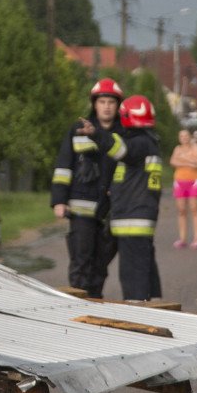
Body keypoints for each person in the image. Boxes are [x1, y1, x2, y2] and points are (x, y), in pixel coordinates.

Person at [81, 94, 162, 301]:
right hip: (137, 220)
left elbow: (121, 149)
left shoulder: (139, 143)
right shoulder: (149, 142)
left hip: (131, 221)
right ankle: (152, 307)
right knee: (144, 273)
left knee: (133, 279)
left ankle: (138, 319)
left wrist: (97, 134)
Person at [50, 77, 124, 297]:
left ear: (118, 105)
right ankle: (76, 309)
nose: (107, 106)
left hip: (110, 210)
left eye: (111, 102)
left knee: (100, 265)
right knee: (81, 262)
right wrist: (59, 200)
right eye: (102, 102)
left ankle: (95, 304)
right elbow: (64, 165)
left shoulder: (124, 134)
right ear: (94, 104)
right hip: (81, 209)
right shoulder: (79, 129)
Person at [169, 128, 197, 248]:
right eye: (181, 136)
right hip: (179, 181)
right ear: (179, 138)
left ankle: (196, 239)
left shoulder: (195, 147)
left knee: (194, 209)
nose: (184, 138)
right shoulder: (177, 149)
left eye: (186, 136)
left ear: (189, 137)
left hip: (193, 181)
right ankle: (182, 238)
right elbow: (173, 161)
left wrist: (182, 159)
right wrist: (189, 161)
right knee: (181, 210)